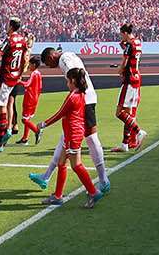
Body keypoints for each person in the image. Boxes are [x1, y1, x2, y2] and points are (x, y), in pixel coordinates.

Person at [27, 47, 112, 194]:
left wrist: (75, 98)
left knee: (89, 139)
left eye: (48, 63)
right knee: (67, 138)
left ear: (51, 56)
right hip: (88, 99)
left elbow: (77, 77)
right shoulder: (69, 55)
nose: (50, 67)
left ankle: (103, 180)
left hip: (84, 101)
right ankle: (47, 176)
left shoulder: (64, 60)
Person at [34, 66, 103, 208]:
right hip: (72, 133)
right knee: (61, 163)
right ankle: (58, 196)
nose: (67, 84)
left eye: (68, 81)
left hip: (72, 135)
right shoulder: (81, 94)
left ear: (73, 81)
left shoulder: (72, 96)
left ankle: (93, 192)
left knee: (76, 165)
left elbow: (60, 114)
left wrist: (43, 124)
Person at [0, 17, 29, 153]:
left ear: (10, 26)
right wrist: (19, 73)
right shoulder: (22, 40)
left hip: (6, 78)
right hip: (15, 77)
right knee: (8, 104)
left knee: (0, 107)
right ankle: (7, 131)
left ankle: (0, 142)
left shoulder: (9, 40)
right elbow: (24, 59)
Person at [115, 22, 143, 151]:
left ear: (125, 33)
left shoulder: (129, 44)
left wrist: (120, 70)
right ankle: (125, 143)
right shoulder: (137, 42)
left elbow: (125, 60)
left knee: (119, 112)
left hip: (129, 80)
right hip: (136, 78)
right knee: (128, 113)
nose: (121, 36)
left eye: (122, 34)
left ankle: (139, 132)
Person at [18, 58, 45, 145]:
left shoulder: (34, 74)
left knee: (24, 120)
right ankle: (25, 139)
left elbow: (27, 84)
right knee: (28, 118)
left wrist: (19, 82)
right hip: (35, 98)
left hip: (29, 99)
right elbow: (40, 87)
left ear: (33, 65)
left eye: (29, 64)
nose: (28, 66)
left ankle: (37, 131)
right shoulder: (39, 74)